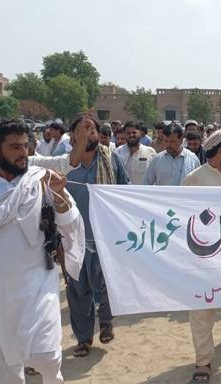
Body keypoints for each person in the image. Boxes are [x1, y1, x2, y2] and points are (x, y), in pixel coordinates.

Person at [0, 120, 85, 384]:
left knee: (46, 355)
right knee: (5, 368)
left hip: (38, 283)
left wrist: (59, 197)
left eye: (25, 145)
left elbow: (70, 221)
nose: (24, 153)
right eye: (15, 147)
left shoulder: (40, 181)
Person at [181, 130, 221, 384]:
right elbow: (183, 215)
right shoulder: (194, 179)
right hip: (203, 255)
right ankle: (203, 361)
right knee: (201, 308)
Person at [64, 113, 130, 358]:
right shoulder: (65, 166)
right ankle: (83, 339)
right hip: (75, 239)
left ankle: (106, 322)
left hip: (107, 236)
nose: (89, 133)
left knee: (107, 284)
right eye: (83, 129)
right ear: (74, 136)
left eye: (92, 128)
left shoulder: (111, 159)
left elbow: (125, 189)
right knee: (78, 290)